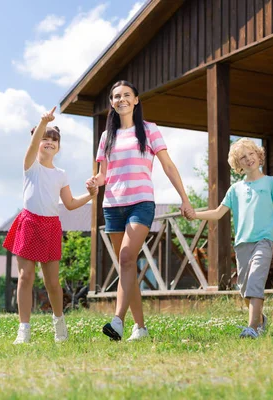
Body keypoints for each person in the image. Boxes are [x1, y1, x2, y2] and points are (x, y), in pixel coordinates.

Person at [86, 80, 194, 341]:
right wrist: (94, 182)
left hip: (141, 203)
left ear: (136, 100)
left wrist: (185, 198)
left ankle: (117, 321)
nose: (121, 99)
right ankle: (141, 328)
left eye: (126, 95)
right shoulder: (106, 136)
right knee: (128, 265)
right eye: (116, 96)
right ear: (111, 103)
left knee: (126, 257)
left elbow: (168, 166)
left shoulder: (149, 130)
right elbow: (103, 175)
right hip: (112, 205)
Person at [4, 106, 98, 344]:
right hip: (29, 223)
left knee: (52, 283)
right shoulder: (30, 166)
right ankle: (23, 329)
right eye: (45, 137)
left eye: (54, 139)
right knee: (25, 277)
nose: (49, 142)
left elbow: (69, 203)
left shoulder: (61, 174)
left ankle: (59, 324)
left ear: (59, 147)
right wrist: (44, 122)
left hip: (51, 227)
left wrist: (91, 195)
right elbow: (32, 146)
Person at [190, 138, 273, 338]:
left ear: (259, 155)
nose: (248, 158)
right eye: (243, 157)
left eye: (251, 153)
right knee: (244, 289)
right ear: (238, 164)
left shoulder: (272, 183)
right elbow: (218, 213)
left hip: (264, 241)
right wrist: (194, 214)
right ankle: (260, 319)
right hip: (243, 243)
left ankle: (252, 328)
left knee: (254, 281)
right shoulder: (235, 190)